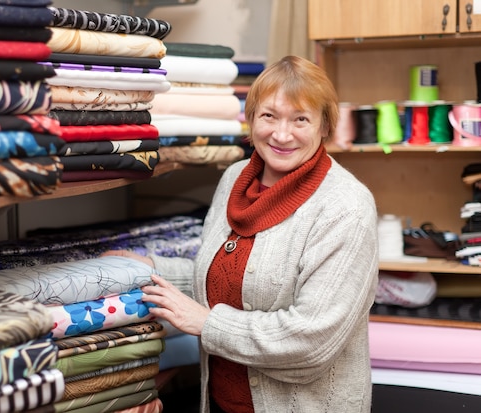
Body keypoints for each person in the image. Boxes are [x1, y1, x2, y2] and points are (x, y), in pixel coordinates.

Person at [104, 55, 378, 412]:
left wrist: (207, 323)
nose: (281, 134)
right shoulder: (235, 179)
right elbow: (231, 280)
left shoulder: (346, 207)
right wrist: (149, 268)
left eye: (300, 119)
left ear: (325, 126)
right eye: (269, 116)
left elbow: (312, 341)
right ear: (250, 119)